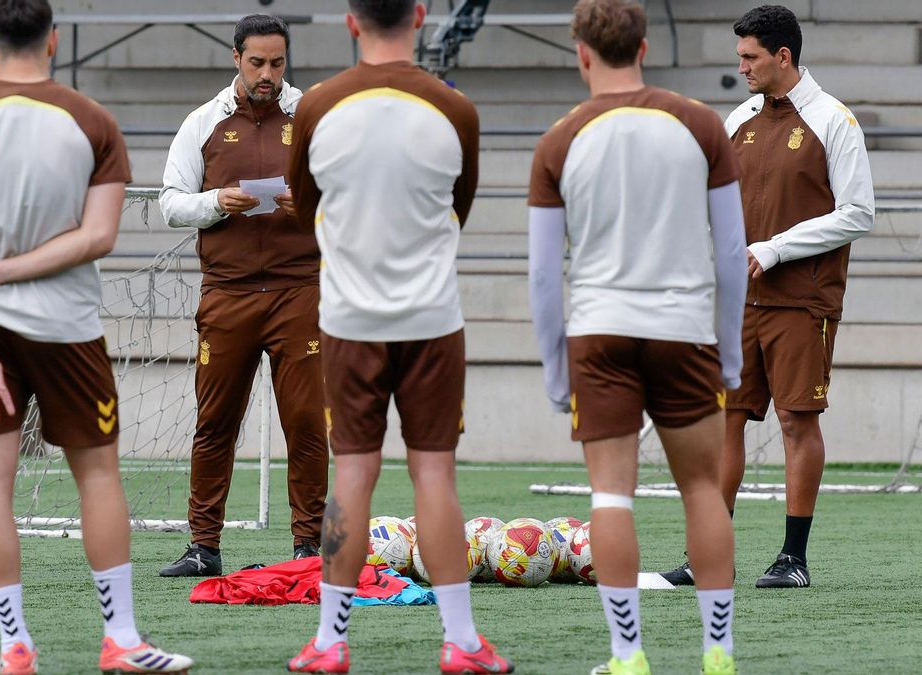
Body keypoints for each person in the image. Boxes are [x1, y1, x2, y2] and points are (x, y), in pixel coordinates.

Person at [0, 1, 193, 673]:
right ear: (55, 40)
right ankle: (122, 640)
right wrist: (18, 271)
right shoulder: (92, 121)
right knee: (97, 473)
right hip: (68, 327)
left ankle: (15, 646)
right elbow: (100, 236)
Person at [285, 2, 512, 673]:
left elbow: (305, 206)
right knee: (433, 472)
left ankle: (330, 642)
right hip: (431, 318)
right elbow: (459, 204)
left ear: (351, 21)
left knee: (352, 472)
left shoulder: (317, 107)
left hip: (350, 319)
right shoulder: (455, 108)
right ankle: (463, 642)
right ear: (419, 15)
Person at [527, 1, 748, 673]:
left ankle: (629, 655)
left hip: (599, 333)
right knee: (703, 491)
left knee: (610, 496)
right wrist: (730, 351)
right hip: (683, 330)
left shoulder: (559, 139)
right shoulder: (702, 123)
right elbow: (732, 252)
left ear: (582, 54)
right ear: (645, 48)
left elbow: (542, 274)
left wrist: (555, 369)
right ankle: (718, 653)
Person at [660, 4, 875, 590]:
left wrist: (774, 249)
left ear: (783, 56)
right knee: (725, 422)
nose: (742, 67)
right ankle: (711, 556)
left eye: (750, 57)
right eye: (739, 57)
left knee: (796, 421)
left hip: (802, 301)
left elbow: (859, 213)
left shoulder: (835, 121)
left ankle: (792, 559)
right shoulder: (740, 118)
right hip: (739, 303)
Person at [158, 13, 328, 577]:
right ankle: (203, 546)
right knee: (216, 422)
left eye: (277, 63)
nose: (267, 74)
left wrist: (307, 205)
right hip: (227, 292)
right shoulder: (203, 121)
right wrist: (216, 202)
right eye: (257, 63)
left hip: (298, 290)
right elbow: (169, 202)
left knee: (305, 422)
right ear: (236, 58)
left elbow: (345, 197)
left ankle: (309, 546)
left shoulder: (311, 117)